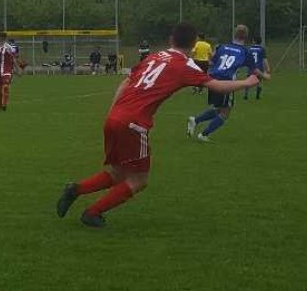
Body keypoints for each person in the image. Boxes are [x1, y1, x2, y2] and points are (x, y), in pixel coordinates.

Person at [55, 23, 261, 228]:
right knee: (139, 180)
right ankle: (92, 213)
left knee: (119, 173)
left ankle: (75, 189)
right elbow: (217, 86)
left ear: (171, 40)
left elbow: (126, 82)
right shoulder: (185, 65)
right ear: (194, 44)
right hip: (134, 123)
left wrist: (113, 111)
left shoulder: (154, 57)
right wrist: (247, 82)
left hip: (115, 117)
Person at [187, 24, 270, 142]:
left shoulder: (222, 47)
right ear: (246, 37)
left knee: (219, 108)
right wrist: (265, 76)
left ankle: (195, 120)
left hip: (212, 79)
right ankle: (204, 134)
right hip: (226, 81)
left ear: (234, 34)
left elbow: (212, 61)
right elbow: (255, 70)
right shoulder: (245, 52)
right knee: (225, 112)